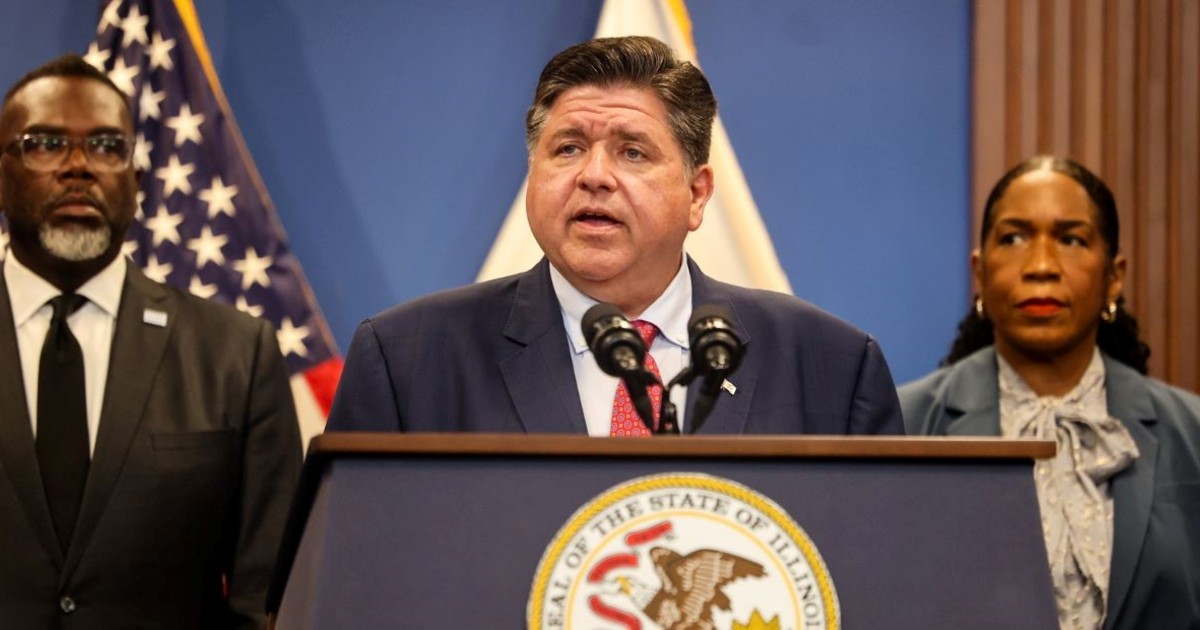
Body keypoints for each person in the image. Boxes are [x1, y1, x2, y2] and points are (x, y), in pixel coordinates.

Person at [327, 36, 902, 436]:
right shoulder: (407, 361)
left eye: (632, 152)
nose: (594, 176)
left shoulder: (831, 368)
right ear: (532, 172)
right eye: (568, 148)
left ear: (697, 193)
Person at [0, 54, 301, 627]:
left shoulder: (235, 355)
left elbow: (270, 598)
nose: (78, 166)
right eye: (46, 144)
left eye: (107, 147)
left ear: (136, 186)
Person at [900, 156, 1200, 629]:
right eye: (1013, 238)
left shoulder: (1192, 431)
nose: (1041, 266)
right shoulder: (903, 424)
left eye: (1071, 239)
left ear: (1114, 275)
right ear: (980, 272)